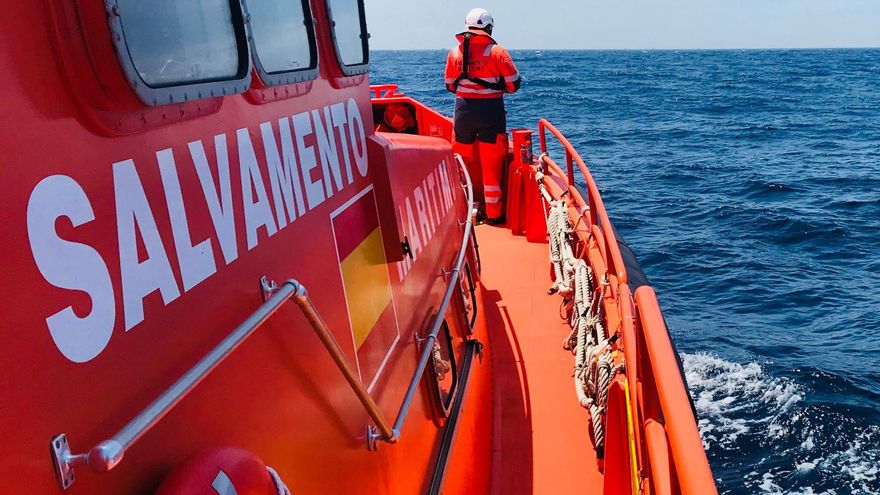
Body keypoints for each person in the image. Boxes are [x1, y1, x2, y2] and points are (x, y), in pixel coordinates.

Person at [444, 8, 521, 224]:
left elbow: (450, 86)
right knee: (492, 162)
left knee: (461, 160)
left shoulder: (454, 53)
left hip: (463, 112)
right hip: (490, 112)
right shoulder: (497, 52)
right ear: (488, 27)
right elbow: (514, 85)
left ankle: (463, 209)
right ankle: (495, 215)